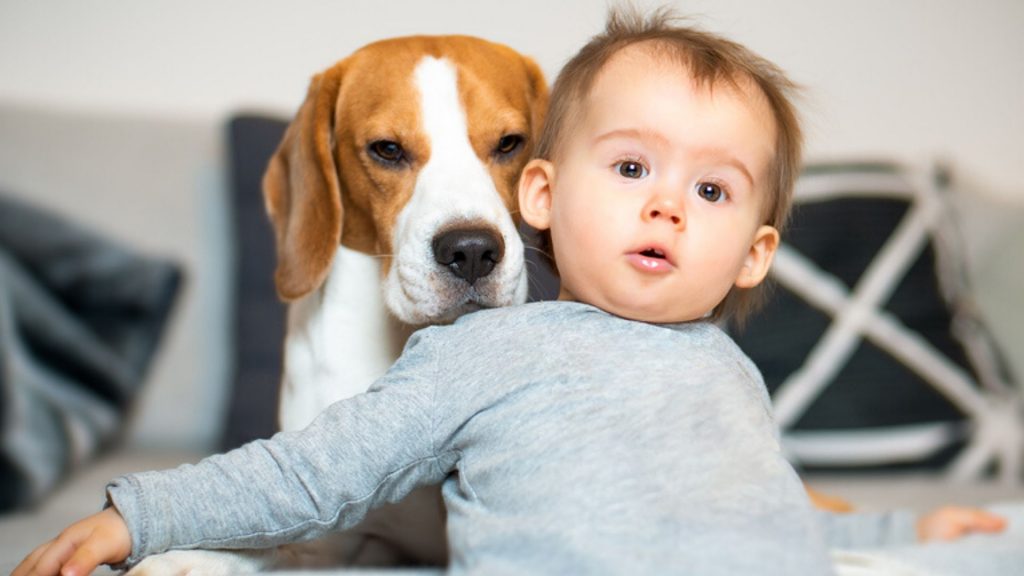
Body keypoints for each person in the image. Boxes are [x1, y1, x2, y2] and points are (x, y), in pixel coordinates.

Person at [14, 8, 1006, 576]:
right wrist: (148, 521)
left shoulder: (692, 358)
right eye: (391, 153)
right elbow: (306, 486)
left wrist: (886, 530)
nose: (466, 220)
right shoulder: (471, 364)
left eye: (503, 144)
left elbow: (743, 498)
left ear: (538, 175)